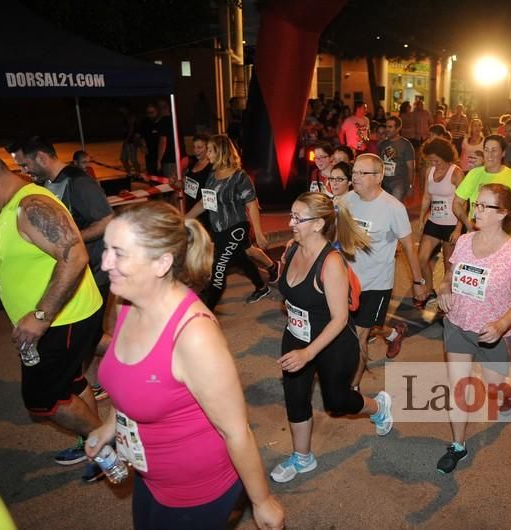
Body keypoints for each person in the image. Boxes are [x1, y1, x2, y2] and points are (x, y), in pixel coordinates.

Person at [87, 201, 284, 529]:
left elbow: (235, 430)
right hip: (151, 476)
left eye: (119, 253)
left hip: (197, 489)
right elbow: (129, 376)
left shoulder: (194, 335)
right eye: (106, 249)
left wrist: (262, 501)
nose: (105, 262)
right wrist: (110, 425)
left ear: (162, 262)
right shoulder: (126, 303)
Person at [0, 149, 104, 481]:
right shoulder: (11, 206)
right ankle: (95, 441)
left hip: (60, 320)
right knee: (72, 380)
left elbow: (74, 257)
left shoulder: (30, 205)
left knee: (41, 400)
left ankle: (107, 442)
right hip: (58, 320)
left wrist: (40, 316)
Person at [270, 192, 393, 483]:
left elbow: (339, 319)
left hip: (333, 344)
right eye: (292, 215)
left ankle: (378, 407)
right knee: (295, 396)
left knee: (338, 402)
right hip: (297, 336)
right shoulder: (291, 248)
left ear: (318, 224)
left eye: (298, 218)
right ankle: (302, 457)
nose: (290, 223)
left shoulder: (332, 263)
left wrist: (309, 353)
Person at [12, 137, 114, 405]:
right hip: (78, 272)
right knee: (88, 336)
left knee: (89, 336)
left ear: (42, 157)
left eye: (25, 164)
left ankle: (127, 364)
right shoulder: (45, 185)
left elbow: (107, 219)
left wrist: (71, 239)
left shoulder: (78, 182)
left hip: (94, 269)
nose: (25, 171)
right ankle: (129, 361)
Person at [436, 183, 511, 473]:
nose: (474, 209)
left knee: (495, 386)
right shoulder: (464, 241)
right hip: (458, 325)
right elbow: (449, 276)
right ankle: (458, 446)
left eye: (483, 206)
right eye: (476, 204)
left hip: (493, 333)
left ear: (502, 213)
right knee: (458, 388)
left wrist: (502, 324)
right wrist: (443, 289)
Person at [343, 154, 427, 388]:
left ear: (379, 177)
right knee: (362, 327)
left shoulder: (393, 208)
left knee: (360, 334)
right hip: (348, 281)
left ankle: (354, 388)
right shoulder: (347, 200)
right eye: (354, 172)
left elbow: (409, 246)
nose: (355, 177)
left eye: (363, 173)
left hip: (376, 285)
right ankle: (392, 333)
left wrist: (418, 282)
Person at [186, 135, 276, 308]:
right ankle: (261, 286)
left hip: (236, 227)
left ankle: (207, 310)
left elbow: (252, 204)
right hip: (219, 229)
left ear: (221, 152)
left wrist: (258, 233)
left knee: (218, 269)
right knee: (241, 259)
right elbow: (205, 202)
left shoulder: (240, 177)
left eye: (211, 150)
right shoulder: (212, 175)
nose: (207, 154)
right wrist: (185, 218)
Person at [418, 137, 465, 304]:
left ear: (444, 156)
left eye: (436, 160)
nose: (433, 163)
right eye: (430, 160)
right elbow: (426, 196)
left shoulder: (456, 172)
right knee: (422, 258)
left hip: (451, 224)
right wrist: (422, 218)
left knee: (448, 266)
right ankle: (429, 290)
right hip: (434, 221)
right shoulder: (429, 171)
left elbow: (463, 202)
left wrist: (459, 228)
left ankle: (448, 300)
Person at [453, 135, 511, 233]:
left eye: (494, 150)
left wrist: (506, 224)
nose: (489, 155)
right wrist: (468, 223)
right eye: (486, 150)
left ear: (503, 153)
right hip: (476, 233)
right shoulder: (474, 174)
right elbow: (457, 203)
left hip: (501, 237)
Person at [378, 116, 416, 201]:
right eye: (386, 126)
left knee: (395, 207)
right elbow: (379, 164)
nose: (387, 129)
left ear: (398, 128)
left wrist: (410, 186)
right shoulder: (382, 144)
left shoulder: (406, 145)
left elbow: (411, 168)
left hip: (399, 183)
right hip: (384, 183)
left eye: (390, 127)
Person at [184, 134, 212, 214]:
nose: (195, 150)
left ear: (208, 148)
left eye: (199, 147)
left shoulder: (212, 167)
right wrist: (179, 183)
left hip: (204, 212)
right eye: (194, 147)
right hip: (191, 209)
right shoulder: (192, 164)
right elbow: (189, 186)